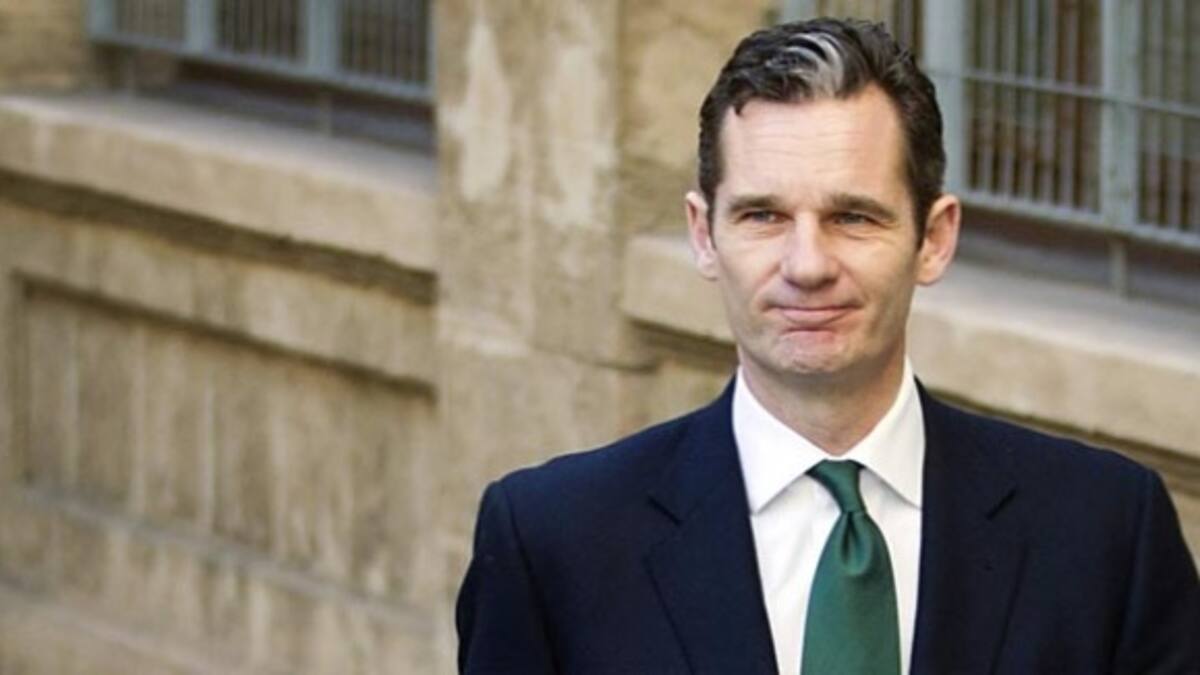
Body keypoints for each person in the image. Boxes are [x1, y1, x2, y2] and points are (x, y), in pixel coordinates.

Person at [455, 17, 1200, 675]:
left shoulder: (1106, 533)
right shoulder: (553, 541)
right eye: (763, 216)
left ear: (934, 238)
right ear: (703, 234)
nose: (807, 265)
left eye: (853, 217)